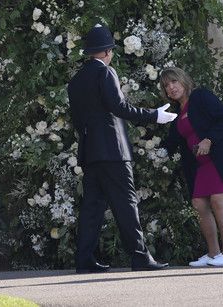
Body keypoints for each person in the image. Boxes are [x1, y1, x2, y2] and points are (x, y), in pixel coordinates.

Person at [67, 24, 176, 273]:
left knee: (92, 208)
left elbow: (78, 120)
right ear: (107, 52)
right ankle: (139, 256)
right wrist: (154, 115)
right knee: (126, 204)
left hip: (90, 152)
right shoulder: (106, 72)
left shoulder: (76, 81)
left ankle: (84, 259)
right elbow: (119, 107)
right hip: (112, 151)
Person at [160, 66, 223, 268]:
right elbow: (171, 143)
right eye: (166, 86)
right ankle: (213, 253)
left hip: (222, 158)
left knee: (218, 200)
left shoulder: (200, 96)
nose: (171, 87)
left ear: (183, 80)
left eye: (174, 81)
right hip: (201, 166)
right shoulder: (177, 113)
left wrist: (209, 139)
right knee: (199, 205)